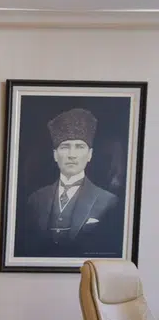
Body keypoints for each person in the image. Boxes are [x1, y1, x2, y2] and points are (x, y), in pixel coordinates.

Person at [19, 107, 122, 259]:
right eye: (65, 147)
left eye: (79, 147)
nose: (72, 155)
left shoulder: (108, 202)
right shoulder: (36, 199)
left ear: (90, 154)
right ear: (55, 155)